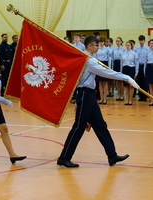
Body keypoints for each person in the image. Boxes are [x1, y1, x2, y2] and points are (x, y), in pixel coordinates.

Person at [57, 36, 139, 168]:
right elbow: (105, 72)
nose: (98, 47)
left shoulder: (87, 58)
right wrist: (126, 77)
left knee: (100, 125)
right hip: (84, 95)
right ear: (89, 46)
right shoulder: (88, 60)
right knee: (79, 127)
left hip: (89, 95)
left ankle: (112, 155)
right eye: (96, 45)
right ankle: (64, 157)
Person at [120, 41, 138, 105]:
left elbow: (136, 64)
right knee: (126, 86)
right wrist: (121, 72)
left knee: (131, 85)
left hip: (131, 69)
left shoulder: (134, 54)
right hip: (125, 69)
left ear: (131, 46)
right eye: (126, 45)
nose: (127, 46)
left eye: (129, 45)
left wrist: (136, 73)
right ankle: (127, 99)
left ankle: (130, 100)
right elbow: (121, 64)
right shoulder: (123, 54)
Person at [95, 37, 111, 104]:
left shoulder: (107, 49)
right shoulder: (97, 49)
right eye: (100, 42)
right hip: (99, 63)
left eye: (102, 42)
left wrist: (109, 68)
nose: (101, 43)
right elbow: (95, 57)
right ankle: (101, 99)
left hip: (105, 64)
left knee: (105, 82)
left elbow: (109, 59)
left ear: (104, 42)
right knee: (100, 82)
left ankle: (105, 98)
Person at [134, 35, 149, 101]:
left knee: (145, 82)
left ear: (144, 41)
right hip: (138, 66)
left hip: (144, 66)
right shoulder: (136, 48)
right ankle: (140, 95)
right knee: (139, 82)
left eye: (142, 40)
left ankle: (145, 96)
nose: (141, 42)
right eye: (140, 40)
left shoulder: (147, 48)